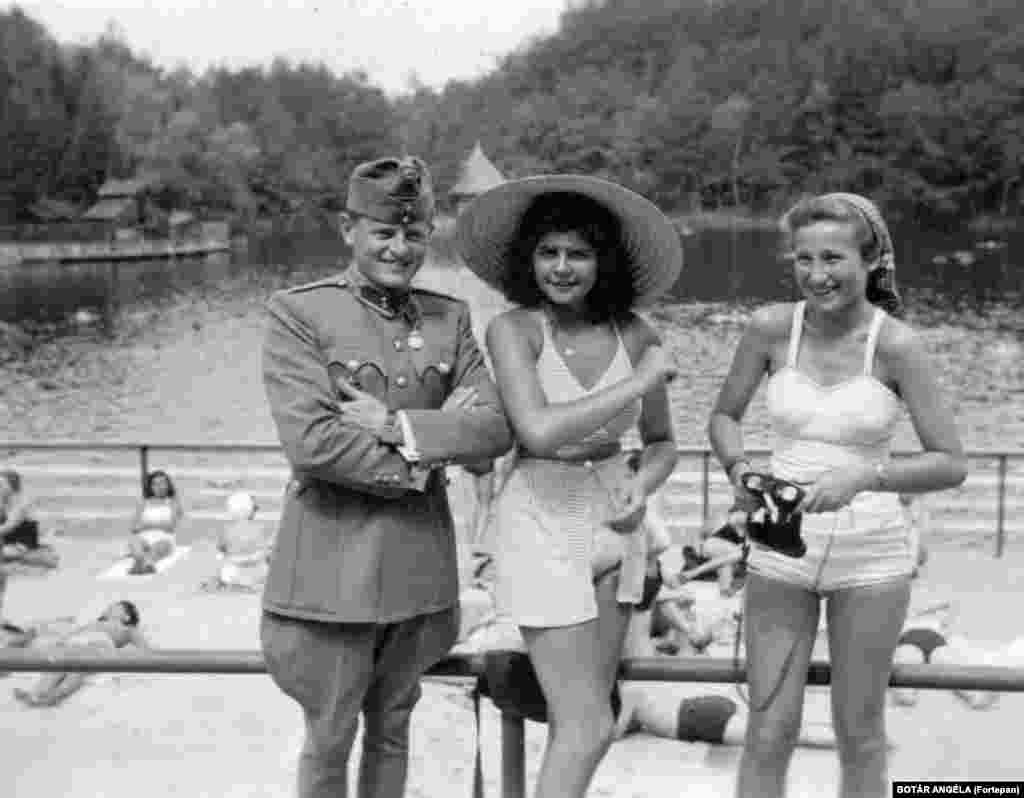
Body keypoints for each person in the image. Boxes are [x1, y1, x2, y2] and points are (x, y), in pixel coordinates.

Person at [259, 156, 512, 798]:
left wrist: (397, 425)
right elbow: (314, 444)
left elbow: (494, 429)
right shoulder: (300, 315)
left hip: (419, 574)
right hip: (331, 572)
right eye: (384, 232)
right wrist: (427, 457)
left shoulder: (448, 318)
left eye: (415, 233)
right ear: (349, 228)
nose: (401, 248)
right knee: (329, 737)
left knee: (394, 728)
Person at [707, 192, 967, 798]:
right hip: (779, 551)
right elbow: (723, 417)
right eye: (803, 259)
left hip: (872, 558)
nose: (817, 275)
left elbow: (951, 462)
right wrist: (741, 469)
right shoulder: (769, 328)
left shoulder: (897, 344)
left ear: (872, 261)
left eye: (833, 258)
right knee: (768, 731)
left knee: (861, 734)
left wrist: (864, 478)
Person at [456, 173, 683, 798]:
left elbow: (663, 443)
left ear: (602, 260)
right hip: (539, 516)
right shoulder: (516, 329)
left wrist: (645, 481)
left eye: (578, 253)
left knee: (585, 721)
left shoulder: (636, 335)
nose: (562, 267)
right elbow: (538, 431)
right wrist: (638, 384)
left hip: (617, 521)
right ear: (529, 260)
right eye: (548, 252)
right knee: (589, 725)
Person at [614, 608, 836, 748]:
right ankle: (839, 735)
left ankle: (839, 739)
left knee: (785, 737)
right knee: (780, 731)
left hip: (697, 720)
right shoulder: (639, 686)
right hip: (701, 708)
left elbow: (614, 734)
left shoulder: (631, 691)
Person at [13, 600, 150, 707]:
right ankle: (38, 692)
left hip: (100, 642)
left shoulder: (126, 628)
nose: (109, 608)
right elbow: (76, 632)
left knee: (79, 666)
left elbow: (143, 646)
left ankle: (55, 695)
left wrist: (134, 655)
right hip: (76, 641)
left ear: (126, 617)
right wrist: (63, 640)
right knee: (58, 664)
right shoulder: (95, 623)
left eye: (116, 607)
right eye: (109, 606)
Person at [208, 491, 274, 591]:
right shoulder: (261, 528)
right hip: (258, 573)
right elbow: (267, 551)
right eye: (254, 509)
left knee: (222, 562)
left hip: (233, 574)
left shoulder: (226, 531)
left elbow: (221, 551)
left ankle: (225, 583)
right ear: (250, 510)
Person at [127, 470, 183, 575]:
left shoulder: (173, 502)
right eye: (155, 484)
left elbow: (170, 527)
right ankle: (142, 561)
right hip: (144, 537)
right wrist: (157, 524)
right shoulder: (144, 503)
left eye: (162, 483)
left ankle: (145, 563)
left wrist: (146, 525)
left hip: (164, 538)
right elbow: (134, 527)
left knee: (159, 547)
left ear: (168, 485)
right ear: (151, 487)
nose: (159, 487)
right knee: (135, 542)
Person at [0, 469, 59, 569]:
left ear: (11, 486)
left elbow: (8, 527)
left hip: (22, 542)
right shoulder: (4, 500)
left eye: (1, 484)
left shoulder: (22, 503)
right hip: (7, 539)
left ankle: (36, 557)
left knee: (6, 553)